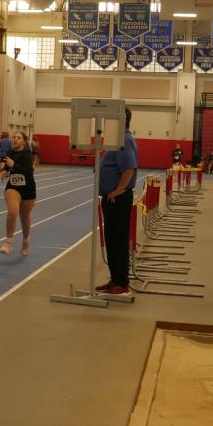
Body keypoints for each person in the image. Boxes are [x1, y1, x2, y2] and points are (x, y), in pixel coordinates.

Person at [96, 107, 138, 295]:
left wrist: (119, 190)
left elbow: (129, 168)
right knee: (111, 239)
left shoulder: (123, 139)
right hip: (112, 198)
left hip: (118, 199)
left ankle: (122, 282)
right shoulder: (117, 139)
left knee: (118, 240)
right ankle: (115, 279)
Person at [0, 131, 36, 257]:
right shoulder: (10, 153)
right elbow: (8, 165)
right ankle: (9, 241)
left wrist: (13, 165)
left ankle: (25, 241)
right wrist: (4, 170)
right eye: (13, 137)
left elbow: (28, 172)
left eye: (18, 138)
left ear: (24, 141)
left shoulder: (28, 154)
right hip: (13, 187)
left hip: (28, 189)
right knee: (12, 211)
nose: (15, 139)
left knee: (24, 218)